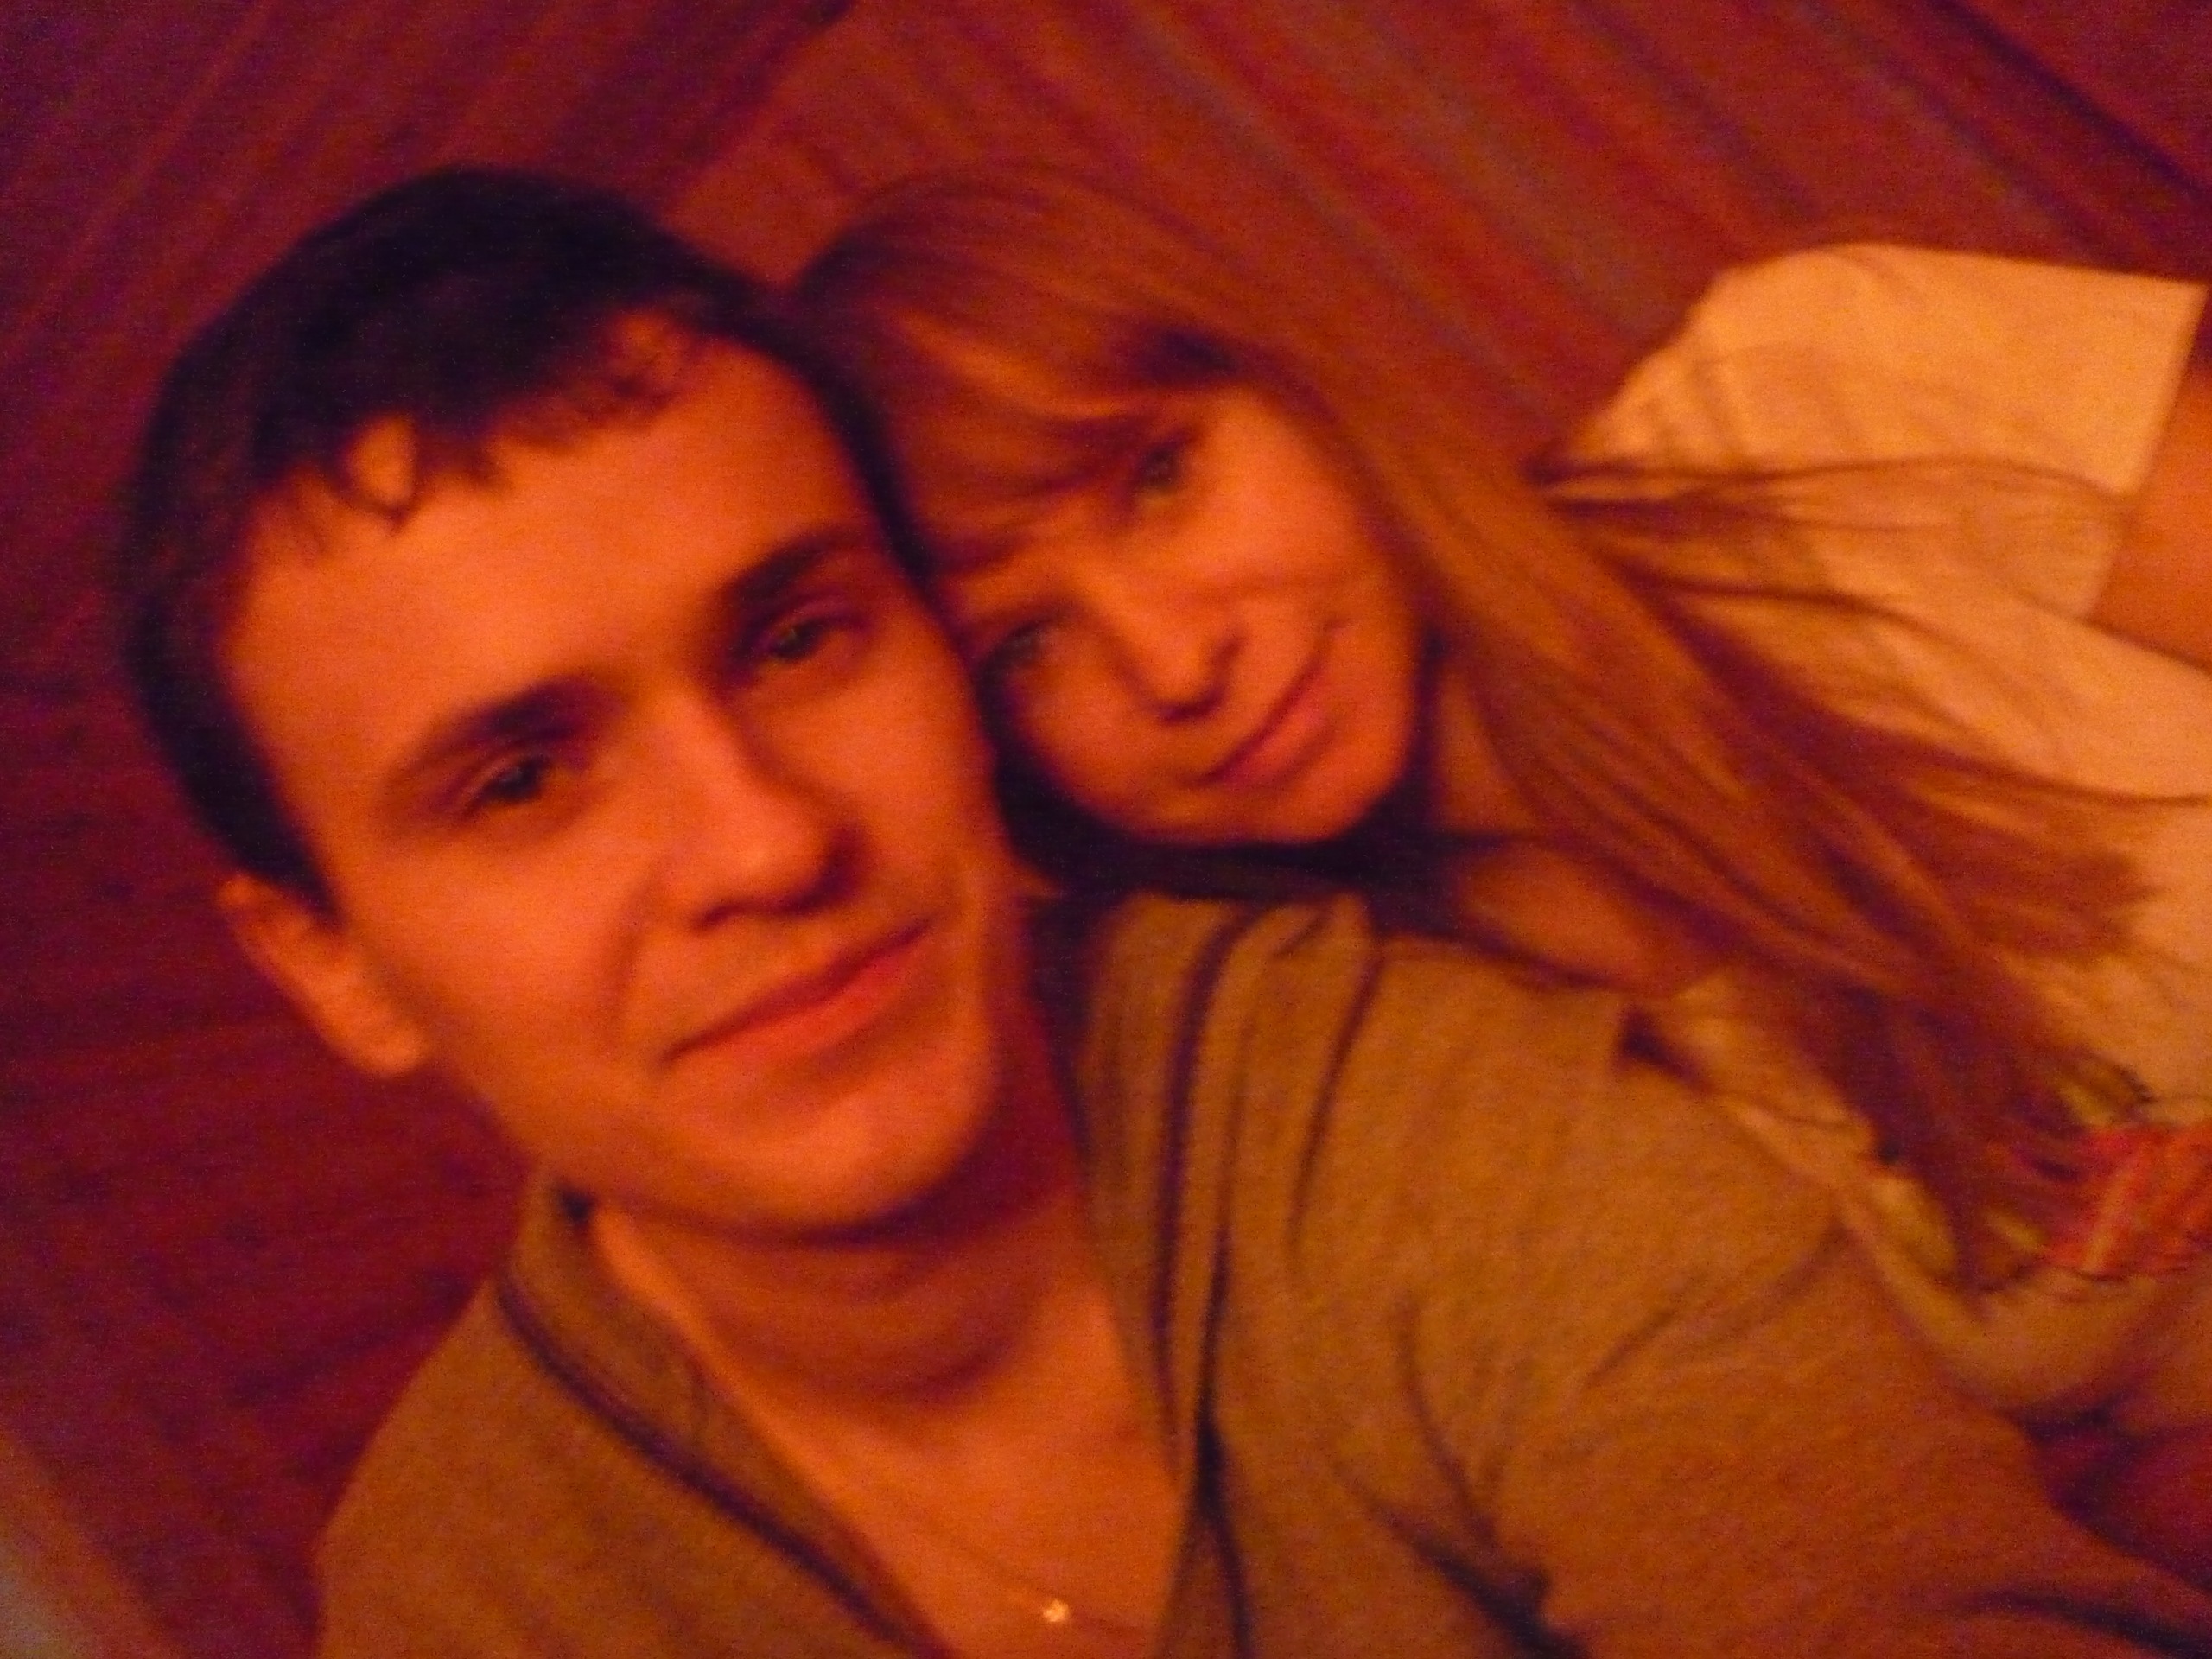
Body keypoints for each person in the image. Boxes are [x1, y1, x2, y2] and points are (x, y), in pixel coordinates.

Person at [111, 164, 2212, 1656]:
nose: (757, 844)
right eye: (518, 780)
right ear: (324, 959)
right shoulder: (476, 1590)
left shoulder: (1377, 1094)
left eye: (795, 641)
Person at [793, 172, 2212, 1470]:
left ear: (1289, 385)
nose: (1173, 663)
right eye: (1025, 646)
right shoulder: (1398, 1120)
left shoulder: (1818, 401)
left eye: (1159, 478)